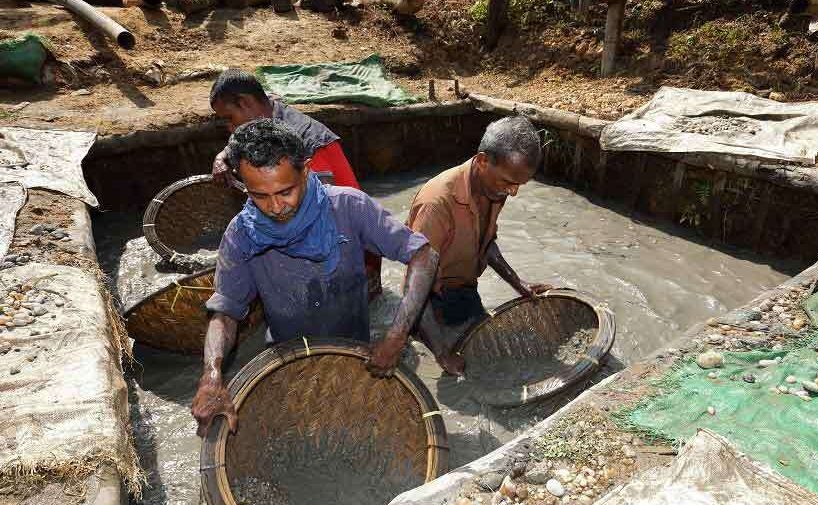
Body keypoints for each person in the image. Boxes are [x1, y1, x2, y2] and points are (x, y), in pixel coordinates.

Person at [191, 119, 438, 437]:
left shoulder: (348, 207)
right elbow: (225, 312)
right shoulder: (241, 235)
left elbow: (424, 256)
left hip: (355, 352)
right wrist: (211, 376)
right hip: (288, 355)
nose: (276, 207)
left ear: (305, 170)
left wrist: (396, 335)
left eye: (286, 191)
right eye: (259, 196)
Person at [209, 69, 383, 299]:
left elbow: (327, 217)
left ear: (245, 102)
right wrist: (222, 156)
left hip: (349, 253)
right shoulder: (264, 123)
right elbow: (239, 142)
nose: (230, 128)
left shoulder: (309, 143)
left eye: (229, 119)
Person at [406, 116, 553, 377]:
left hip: (465, 289)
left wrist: (518, 283)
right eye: (509, 182)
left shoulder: (494, 188)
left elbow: (486, 243)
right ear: (483, 161)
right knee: (445, 374)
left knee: (488, 356)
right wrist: (441, 353)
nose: (513, 192)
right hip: (432, 303)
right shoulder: (436, 204)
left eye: (519, 185)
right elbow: (415, 287)